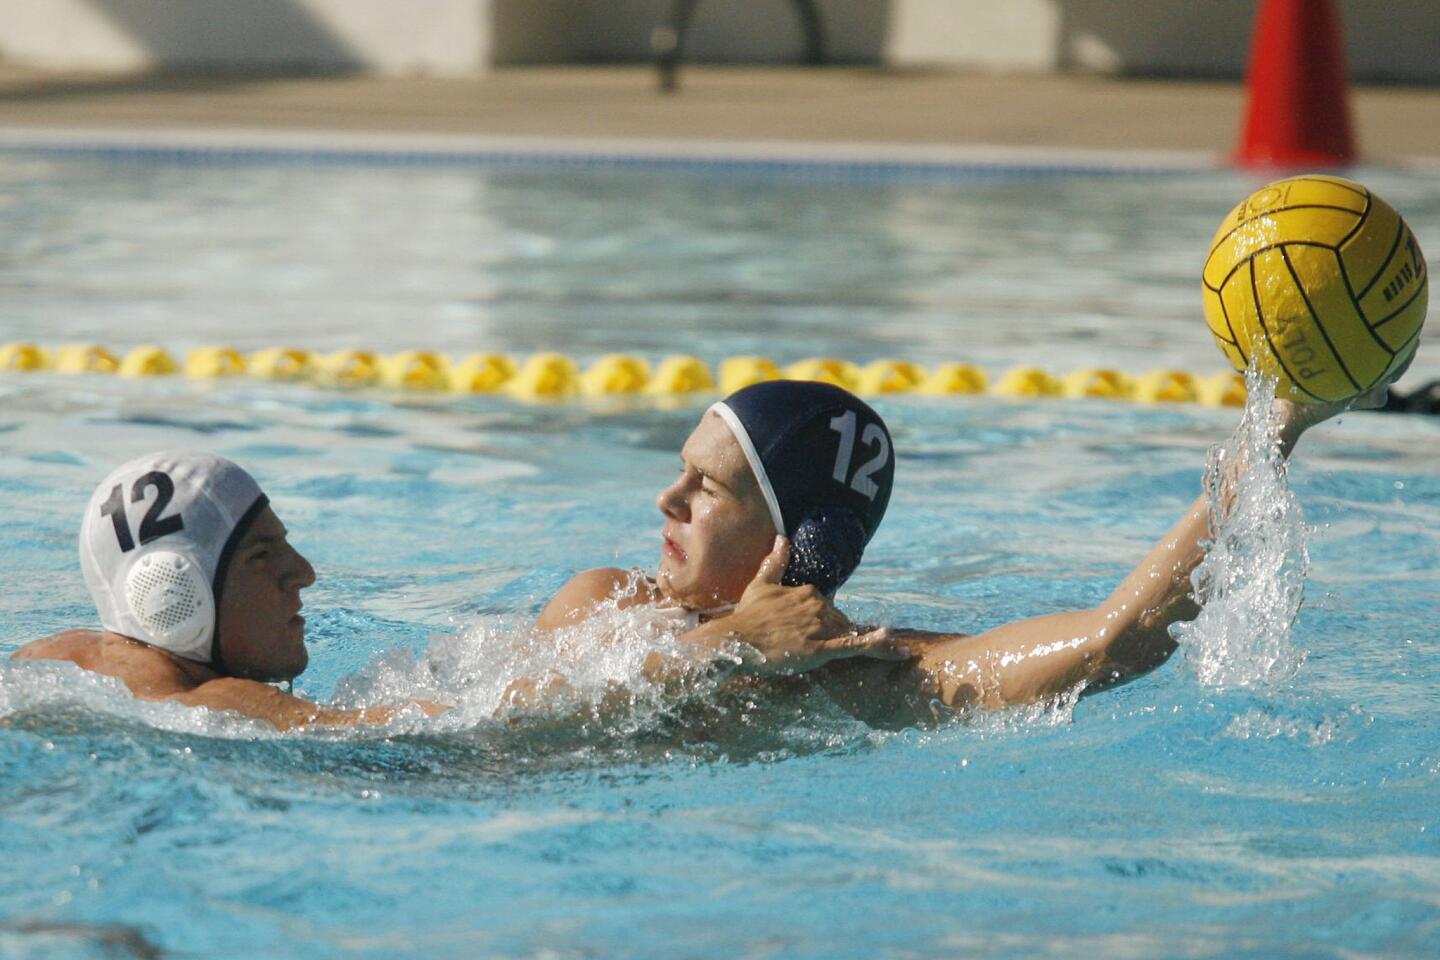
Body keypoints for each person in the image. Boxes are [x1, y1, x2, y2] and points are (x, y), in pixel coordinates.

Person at [538, 377, 1393, 723]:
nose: (668, 499)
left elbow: (1109, 639)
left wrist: (1272, 433)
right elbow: (521, 711)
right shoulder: (611, 603)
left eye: (708, 486)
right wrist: (736, 642)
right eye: (683, 473)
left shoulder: (877, 679)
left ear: (798, 542)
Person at [10, 451, 444, 731]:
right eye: (262, 554)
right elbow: (403, 739)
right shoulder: (210, 705)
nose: (302, 572)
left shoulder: (42, 661)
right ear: (173, 589)